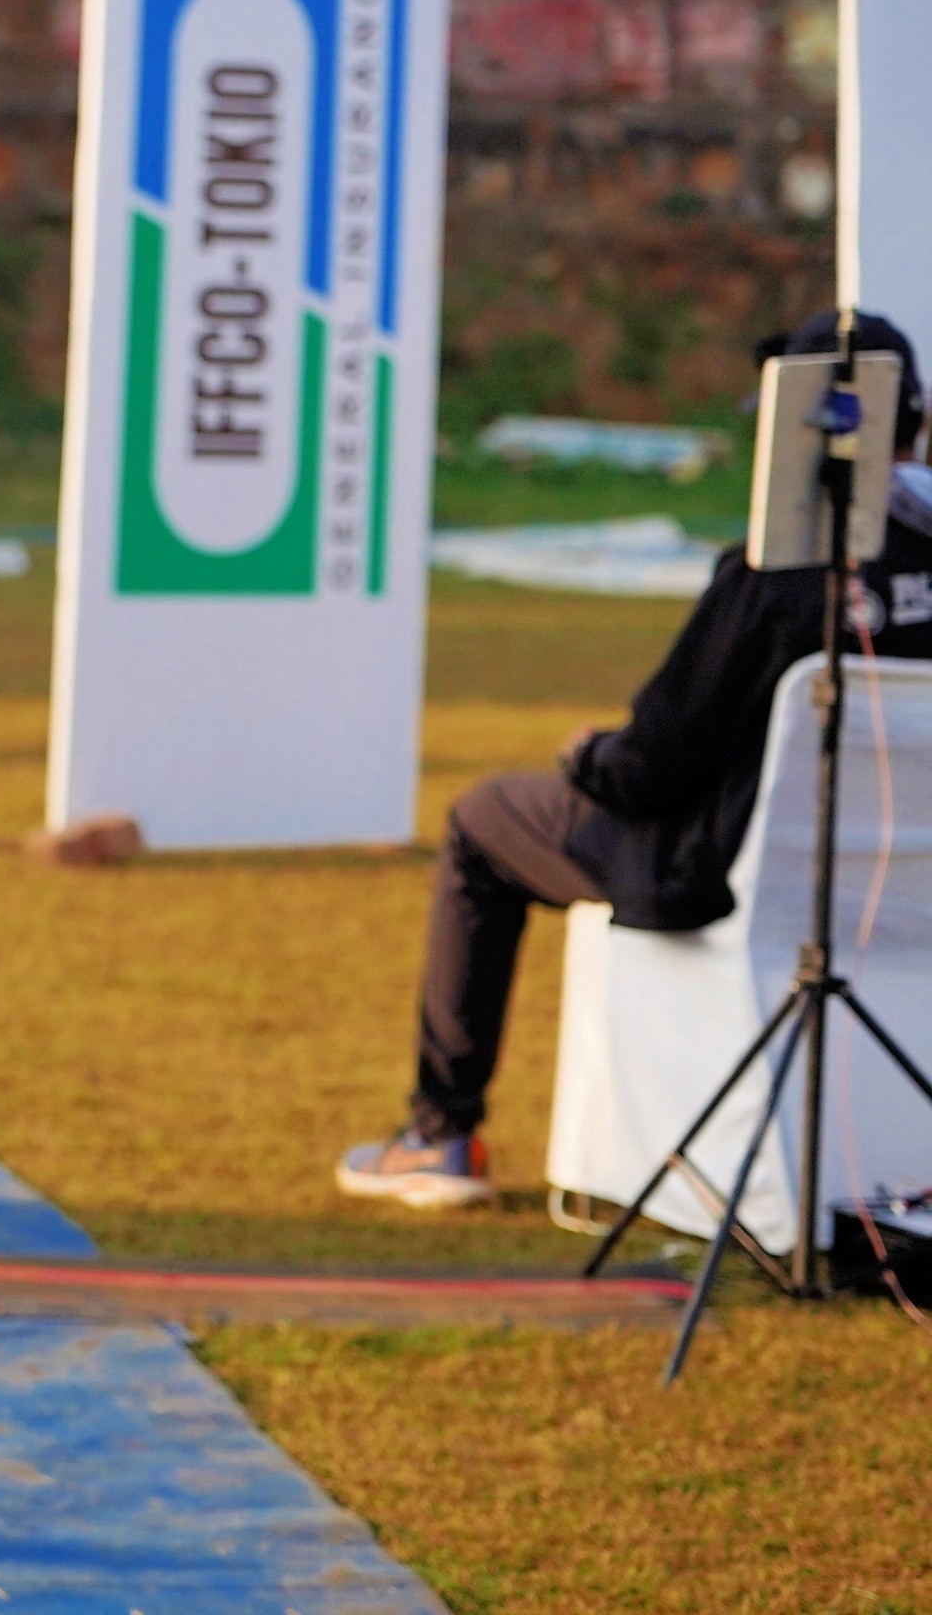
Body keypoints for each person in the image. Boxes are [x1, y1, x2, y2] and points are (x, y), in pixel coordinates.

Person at [339, 308, 932, 1210]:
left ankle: (440, 1134)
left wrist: (587, 757)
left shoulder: (776, 574)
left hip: (724, 877)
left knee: (481, 820)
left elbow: (649, 769)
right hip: (903, 892)